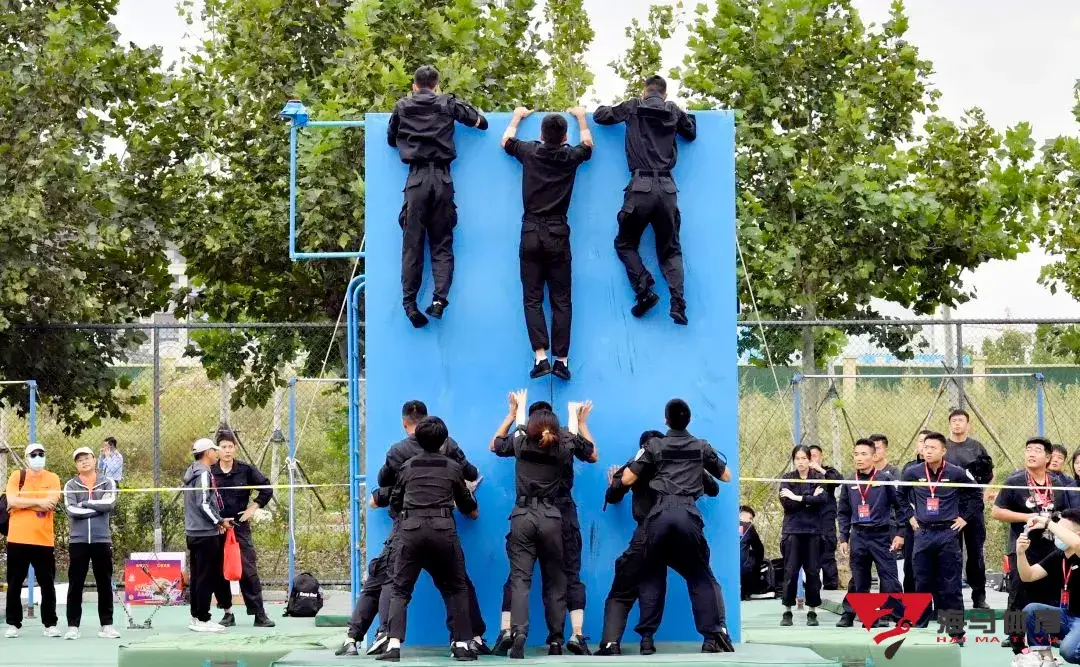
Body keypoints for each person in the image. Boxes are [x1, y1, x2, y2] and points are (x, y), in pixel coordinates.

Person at [367, 400, 487, 656]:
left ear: (416, 437)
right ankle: (461, 644)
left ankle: (393, 644)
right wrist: (471, 508)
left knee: (400, 588)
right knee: (456, 586)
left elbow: (396, 499)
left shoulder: (406, 467)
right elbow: (465, 501)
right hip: (443, 530)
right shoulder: (453, 467)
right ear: (444, 440)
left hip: (410, 530)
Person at [616, 398, 735, 653]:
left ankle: (646, 639)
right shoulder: (701, 446)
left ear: (666, 420)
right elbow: (726, 476)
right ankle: (711, 638)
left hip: (658, 514)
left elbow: (626, 479)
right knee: (700, 575)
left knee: (651, 572)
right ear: (689, 420)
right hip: (687, 513)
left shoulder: (654, 445)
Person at [490, 391, 598, 658]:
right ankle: (560, 639)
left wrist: (513, 413)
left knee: (518, 578)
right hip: (556, 516)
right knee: (561, 578)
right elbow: (592, 453)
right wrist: (579, 421)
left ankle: (514, 632)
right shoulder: (565, 444)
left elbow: (496, 444)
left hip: (524, 514)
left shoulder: (521, 442)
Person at [596, 430, 722, 655]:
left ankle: (618, 642)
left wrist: (614, 482)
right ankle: (713, 639)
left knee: (628, 587)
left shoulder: (636, 463)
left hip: (647, 532)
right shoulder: (684, 462)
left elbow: (613, 495)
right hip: (683, 529)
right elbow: (713, 489)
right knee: (702, 579)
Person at [387, 65, 489, 327]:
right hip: (443, 180)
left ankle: (410, 305)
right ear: (437, 85)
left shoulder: (402, 106)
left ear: (414, 86)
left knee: (413, 245)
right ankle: (439, 301)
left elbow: (391, 139)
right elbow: (481, 123)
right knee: (442, 244)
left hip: (416, 179)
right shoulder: (447, 103)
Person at [593, 75, 697, 325]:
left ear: (644, 92)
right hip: (667, 189)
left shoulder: (633, 106)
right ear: (664, 94)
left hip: (640, 188)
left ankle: (644, 290)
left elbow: (600, 116)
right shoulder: (673, 110)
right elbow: (691, 133)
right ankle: (678, 304)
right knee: (670, 249)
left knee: (625, 244)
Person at [501, 106, 594, 380]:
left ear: (541, 135)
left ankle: (540, 357)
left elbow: (505, 141)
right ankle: (561, 361)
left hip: (530, 230)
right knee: (561, 300)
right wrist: (581, 117)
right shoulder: (570, 156)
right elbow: (588, 145)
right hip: (557, 232)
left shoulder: (530, 151)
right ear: (565, 137)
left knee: (532, 298)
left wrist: (517, 116)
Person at [992, 437, 1072, 654]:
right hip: (1023, 547)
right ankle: (1016, 643)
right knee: (1018, 594)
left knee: (1049, 595)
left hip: (1051, 548)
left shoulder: (1057, 483)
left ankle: (1047, 640)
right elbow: (997, 512)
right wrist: (1028, 517)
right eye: (1028, 449)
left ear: (1048, 457)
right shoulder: (1015, 481)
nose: (1031, 453)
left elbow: (1064, 514)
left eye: (1037, 450)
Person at [901, 431, 978, 643]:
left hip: (947, 533)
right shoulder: (912, 472)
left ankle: (956, 633)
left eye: (933, 448)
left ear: (944, 450)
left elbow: (975, 494)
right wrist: (909, 516)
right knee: (921, 582)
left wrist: (964, 518)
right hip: (923, 533)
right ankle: (919, 629)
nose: (928, 451)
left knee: (950, 585)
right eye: (925, 447)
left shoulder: (956, 473)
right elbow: (899, 495)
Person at [835, 439, 909, 628]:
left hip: (882, 536)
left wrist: (900, 533)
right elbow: (843, 512)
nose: (859, 458)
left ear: (873, 456)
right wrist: (843, 537)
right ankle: (855, 615)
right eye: (856, 454)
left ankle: (899, 617)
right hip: (858, 536)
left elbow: (900, 507)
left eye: (864, 454)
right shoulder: (849, 481)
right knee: (859, 580)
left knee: (890, 578)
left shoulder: (885, 479)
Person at [210, 430, 275, 628]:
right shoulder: (210, 472)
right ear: (217, 450)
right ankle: (227, 613)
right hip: (218, 528)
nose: (227, 450)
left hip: (240, 528)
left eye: (230, 447)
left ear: (235, 448)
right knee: (220, 571)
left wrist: (253, 508)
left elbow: (266, 488)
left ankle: (259, 614)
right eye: (223, 447)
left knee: (248, 570)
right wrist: (217, 521)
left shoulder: (246, 470)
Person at [4, 442, 62, 638]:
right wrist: (38, 502)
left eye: (41, 454)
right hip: (17, 538)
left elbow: (50, 504)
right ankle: (13, 624)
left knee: (47, 583)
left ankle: (50, 624)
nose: (38, 457)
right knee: (14, 583)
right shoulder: (16, 476)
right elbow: (12, 501)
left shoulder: (53, 478)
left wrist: (22, 504)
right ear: (27, 458)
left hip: (43, 540)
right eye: (33, 454)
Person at [62, 447, 120, 640]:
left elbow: (109, 504)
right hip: (78, 541)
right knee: (75, 583)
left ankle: (107, 625)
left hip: (101, 539)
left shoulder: (107, 481)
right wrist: (97, 507)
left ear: (94, 460)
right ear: (76, 465)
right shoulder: (70, 485)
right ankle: (73, 626)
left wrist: (85, 503)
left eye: (87, 458)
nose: (84, 462)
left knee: (104, 582)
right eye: (80, 460)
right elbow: (72, 510)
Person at [944, 408, 994, 609]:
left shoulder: (976, 447)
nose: (957, 424)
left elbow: (989, 474)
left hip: (973, 507)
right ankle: (953, 598)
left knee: (975, 553)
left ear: (968, 424)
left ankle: (979, 596)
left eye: (961, 420)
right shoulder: (943, 447)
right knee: (951, 554)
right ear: (949, 424)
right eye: (954, 420)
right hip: (948, 506)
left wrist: (985, 493)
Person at [1017, 510, 1080, 666]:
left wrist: (1046, 522)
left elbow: (1077, 544)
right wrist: (1020, 554)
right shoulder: (1059, 556)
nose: (1056, 534)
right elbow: (1028, 575)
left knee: (1069, 651)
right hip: (1068, 616)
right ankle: (1047, 660)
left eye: (1060, 530)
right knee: (1033, 611)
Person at [182, 438, 233, 633]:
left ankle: (196, 617)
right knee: (205, 577)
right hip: (204, 534)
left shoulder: (193, 471)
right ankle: (203, 618)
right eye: (214, 449)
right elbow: (203, 503)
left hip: (194, 532)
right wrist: (219, 522)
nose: (217, 452)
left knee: (197, 576)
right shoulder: (203, 473)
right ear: (207, 453)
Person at [778, 446, 826, 627]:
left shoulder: (818, 478)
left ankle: (812, 611)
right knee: (790, 571)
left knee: (813, 572)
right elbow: (787, 504)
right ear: (794, 460)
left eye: (804, 458)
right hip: (793, 532)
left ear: (809, 459)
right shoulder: (787, 478)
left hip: (813, 532)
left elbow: (821, 501)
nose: (800, 462)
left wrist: (797, 497)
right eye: (797, 458)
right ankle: (787, 610)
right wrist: (808, 499)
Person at [808, 445, 843, 590]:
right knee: (811, 552)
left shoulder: (828, 471)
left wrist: (820, 469)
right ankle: (813, 585)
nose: (812, 459)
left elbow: (838, 480)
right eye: (809, 456)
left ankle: (831, 584)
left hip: (826, 517)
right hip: (809, 518)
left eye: (814, 456)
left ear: (821, 457)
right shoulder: (803, 475)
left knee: (828, 550)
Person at [899, 430, 930, 593]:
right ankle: (910, 602)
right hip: (913, 524)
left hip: (936, 525)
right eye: (921, 441)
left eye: (927, 442)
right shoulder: (909, 468)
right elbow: (901, 496)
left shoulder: (944, 469)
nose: (924, 445)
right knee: (910, 565)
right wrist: (910, 517)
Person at [740, 505, 766, 600]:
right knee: (754, 555)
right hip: (741, 570)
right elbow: (759, 548)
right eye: (750, 518)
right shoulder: (748, 527)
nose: (751, 521)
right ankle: (749, 590)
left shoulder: (725, 525)